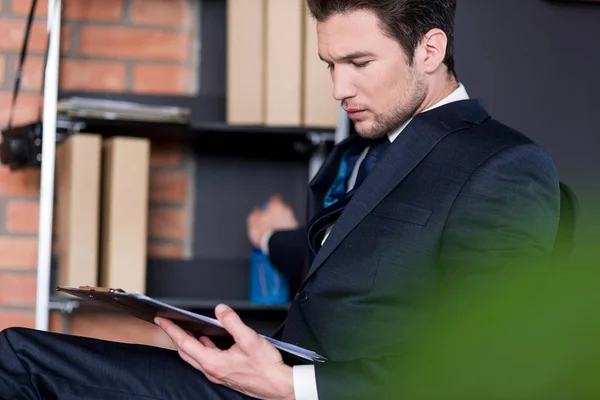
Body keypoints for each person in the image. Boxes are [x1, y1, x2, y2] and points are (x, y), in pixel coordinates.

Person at [0, 0, 561, 399]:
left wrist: (290, 386)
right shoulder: (369, 149)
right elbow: (354, 263)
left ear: (429, 49)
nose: (339, 89)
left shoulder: (504, 166)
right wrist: (269, 243)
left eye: (359, 64)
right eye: (330, 66)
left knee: (19, 360)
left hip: (293, 391)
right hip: (260, 375)